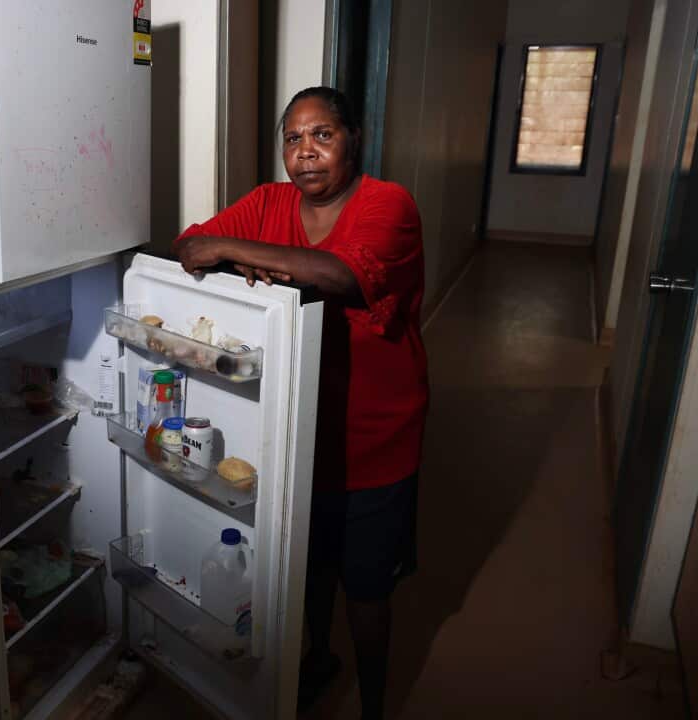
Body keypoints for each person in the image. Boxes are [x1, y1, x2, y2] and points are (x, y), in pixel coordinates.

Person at [173, 86, 428, 719]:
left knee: (366, 589)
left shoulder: (387, 204)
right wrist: (225, 250)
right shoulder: (268, 202)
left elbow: (342, 274)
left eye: (322, 136)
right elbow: (190, 245)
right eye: (293, 138)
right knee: (305, 566)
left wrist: (235, 252)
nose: (306, 153)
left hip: (374, 436)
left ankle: (375, 704)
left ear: (352, 139)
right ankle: (316, 662)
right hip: (293, 428)